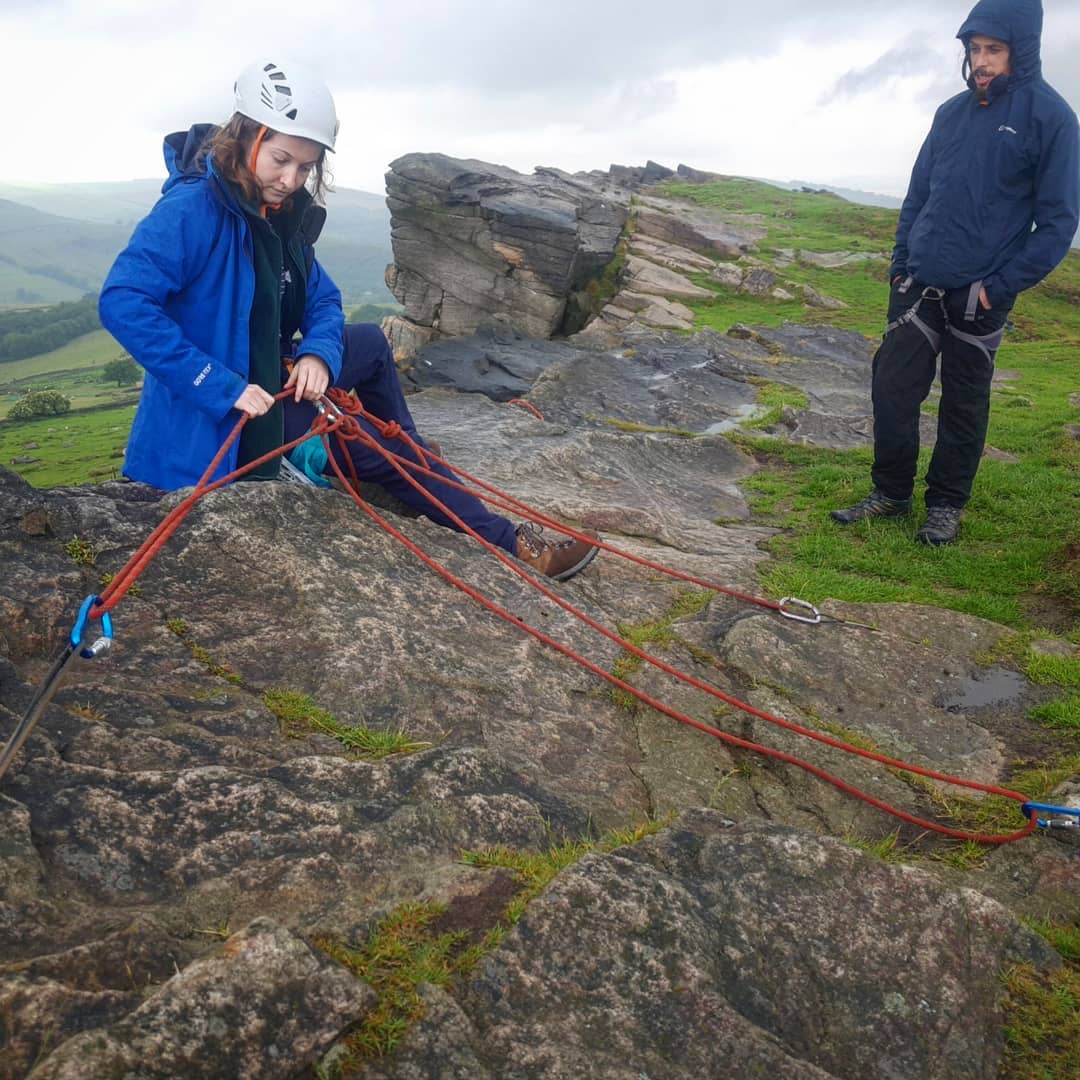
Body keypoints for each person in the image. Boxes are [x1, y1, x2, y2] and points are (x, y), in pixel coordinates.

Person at [99, 59, 598, 581]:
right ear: (245, 136)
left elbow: (324, 299)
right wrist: (219, 385)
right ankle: (510, 542)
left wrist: (318, 354)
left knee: (371, 344)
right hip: (232, 409)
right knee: (373, 446)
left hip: (276, 371)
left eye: (305, 167)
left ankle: (414, 456)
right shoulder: (192, 211)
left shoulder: (274, 215)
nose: (291, 180)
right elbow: (123, 301)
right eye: (281, 159)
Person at [831, 0, 1079, 545]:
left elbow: (1059, 223)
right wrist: (901, 266)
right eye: (974, 48)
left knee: (964, 405)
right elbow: (918, 195)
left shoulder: (1052, 118)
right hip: (917, 288)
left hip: (979, 296)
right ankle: (890, 493)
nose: (981, 60)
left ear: (1021, 50)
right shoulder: (950, 113)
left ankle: (945, 506)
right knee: (892, 392)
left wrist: (997, 288)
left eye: (994, 49)